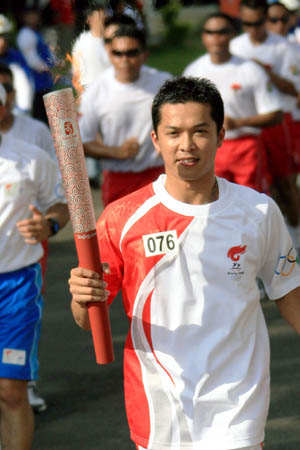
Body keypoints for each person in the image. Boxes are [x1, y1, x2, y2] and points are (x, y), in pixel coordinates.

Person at [69, 76, 300, 450]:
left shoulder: (257, 211)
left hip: (237, 405)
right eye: (174, 133)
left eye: (200, 131)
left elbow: (289, 292)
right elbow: (86, 318)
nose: (186, 146)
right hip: (159, 408)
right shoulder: (121, 218)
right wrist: (82, 298)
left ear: (221, 135)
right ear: (156, 138)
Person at [0, 83, 68, 449]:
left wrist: (49, 225)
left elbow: (61, 205)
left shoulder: (29, 158)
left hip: (15, 287)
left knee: (11, 390)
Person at [183, 12, 282, 193]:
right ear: (204, 37)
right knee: (213, 204)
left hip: (246, 147)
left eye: (222, 32)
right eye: (210, 32)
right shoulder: (193, 71)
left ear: (232, 35)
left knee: (252, 205)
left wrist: (238, 123)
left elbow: (275, 115)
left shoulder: (250, 69)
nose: (216, 38)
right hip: (208, 148)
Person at [230, 0, 300, 242]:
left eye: (259, 23)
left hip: (281, 120)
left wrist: (262, 71)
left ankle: (297, 241)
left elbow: (294, 91)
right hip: (247, 125)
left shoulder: (285, 48)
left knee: (286, 184)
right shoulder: (235, 46)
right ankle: (269, 242)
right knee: (259, 189)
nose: (253, 29)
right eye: (247, 24)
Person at [79, 24, 171, 206]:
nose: (125, 60)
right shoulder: (96, 91)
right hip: (118, 178)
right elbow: (81, 143)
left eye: (131, 53)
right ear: (109, 55)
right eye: (118, 54)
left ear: (145, 54)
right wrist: (116, 152)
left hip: (159, 176)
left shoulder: (163, 83)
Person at [16, 6, 55, 124]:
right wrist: (48, 68)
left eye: (35, 14)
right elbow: (32, 60)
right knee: (41, 118)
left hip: (46, 82)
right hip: (37, 83)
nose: (34, 17)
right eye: (30, 15)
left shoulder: (35, 32)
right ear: (24, 17)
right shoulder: (25, 34)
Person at [0, 14, 34, 115]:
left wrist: (22, 112)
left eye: (5, 37)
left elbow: (26, 84)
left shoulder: (16, 58)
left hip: (13, 114)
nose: (2, 41)